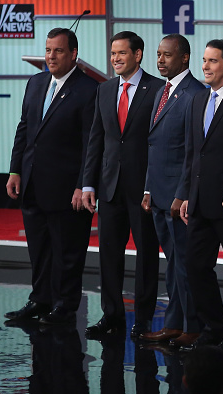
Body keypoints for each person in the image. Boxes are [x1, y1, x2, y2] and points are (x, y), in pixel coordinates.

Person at [5, 28, 97, 325]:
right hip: (32, 183)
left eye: (58, 51)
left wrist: (82, 184)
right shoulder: (36, 82)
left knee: (67, 252)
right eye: (48, 50)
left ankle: (65, 306)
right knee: (40, 249)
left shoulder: (88, 89)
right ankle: (39, 300)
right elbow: (24, 129)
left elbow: (90, 144)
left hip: (67, 189)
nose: (51, 56)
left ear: (73, 54)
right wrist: (15, 169)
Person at [83, 31, 164, 338]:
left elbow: (160, 143)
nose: (115, 58)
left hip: (144, 189)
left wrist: (152, 186)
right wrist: (88, 184)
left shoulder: (157, 89)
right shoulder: (104, 90)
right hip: (109, 187)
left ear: (138, 55)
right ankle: (112, 315)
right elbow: (97, 140)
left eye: (122, 53)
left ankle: (142, 319)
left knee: (146, 256)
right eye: (113, 53)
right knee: (109, 256)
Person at [177, 39, 223, 355]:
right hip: (197, 202)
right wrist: (183, 194)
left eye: (212, 61)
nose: (205, 66)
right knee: (195, 267)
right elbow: (193, 152)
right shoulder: (197, 100)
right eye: (204, 60)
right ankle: (213, 327)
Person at [138, 34, 205, 347]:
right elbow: (155, 145)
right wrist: (149, 188)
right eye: (158, 54)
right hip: (160, 195)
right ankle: (174, 323)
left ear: (184, 58)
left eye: (166, 55)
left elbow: (192, 153)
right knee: (173, 264)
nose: (160, 60)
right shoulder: (161, 92)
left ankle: (190, 327)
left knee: (184, 265)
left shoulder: (194, 94)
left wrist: (183, 194)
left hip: (180, 199)